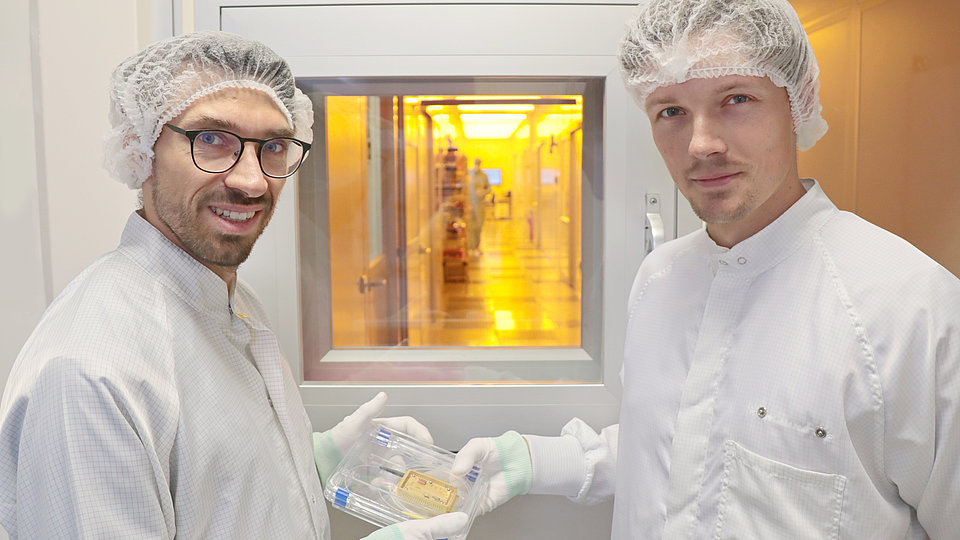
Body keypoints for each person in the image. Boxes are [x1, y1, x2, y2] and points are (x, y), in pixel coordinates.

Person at [451, 0, 960, 538]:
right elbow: (676, 444)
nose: (701, 144)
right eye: (671, 111)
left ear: (799, 101)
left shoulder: (910, 308)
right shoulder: (659, 279)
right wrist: (534, 459)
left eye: (737, 99)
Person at [0, 31, 466, 540]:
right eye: (212, 139)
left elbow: (218, 500)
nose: (252, 181)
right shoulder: (91, 374)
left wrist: (315, 461)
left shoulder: (234, 304)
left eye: (273, 147)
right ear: (141, 148)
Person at [467, 158, 492, 257]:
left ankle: (477, 246)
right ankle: (470, 247)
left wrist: (484, 192)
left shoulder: (484, 176)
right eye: (475, 163)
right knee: (470, 227)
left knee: (478, 226)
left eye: (478, 163)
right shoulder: (468, 175)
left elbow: (489, 188)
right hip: (469, 205)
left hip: (480, 205)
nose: (477, 165)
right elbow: (462, 187)